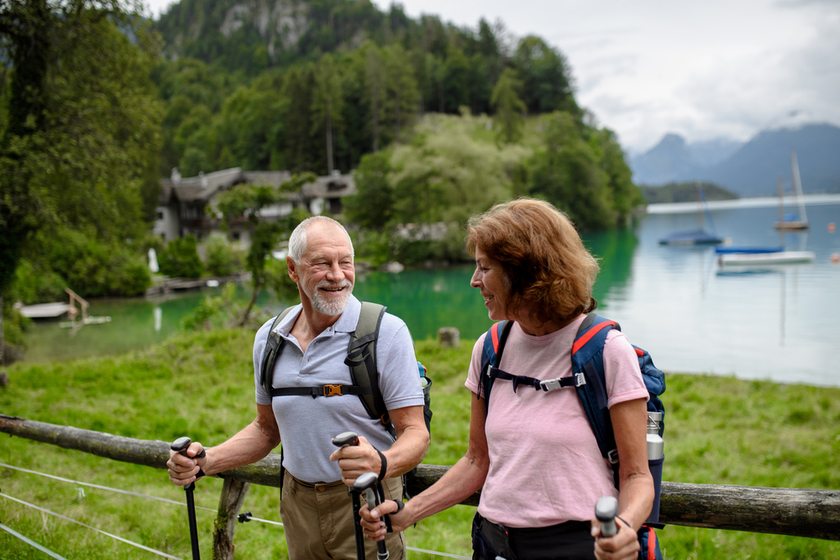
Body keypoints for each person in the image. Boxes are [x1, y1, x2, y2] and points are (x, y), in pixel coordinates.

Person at [360, 199, 653, 560]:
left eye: (485, 267)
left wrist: (624, 527)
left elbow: (637, 476)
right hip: (492, 544)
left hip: (577, 547)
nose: (473, 281)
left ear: (526, 271)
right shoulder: (490, 348)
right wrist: (408, 512)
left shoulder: (607, 351)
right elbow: (476, 461)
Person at [167, 216, 430, 560]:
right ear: (293, 269)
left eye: (345, 263)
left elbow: (416, 433)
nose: (337, 275)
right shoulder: (269, 338)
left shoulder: (386, 332)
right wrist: (206, 460)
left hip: (367, 503)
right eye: (322, 263)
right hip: (297, 504)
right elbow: (266, 428)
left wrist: (381, 462)